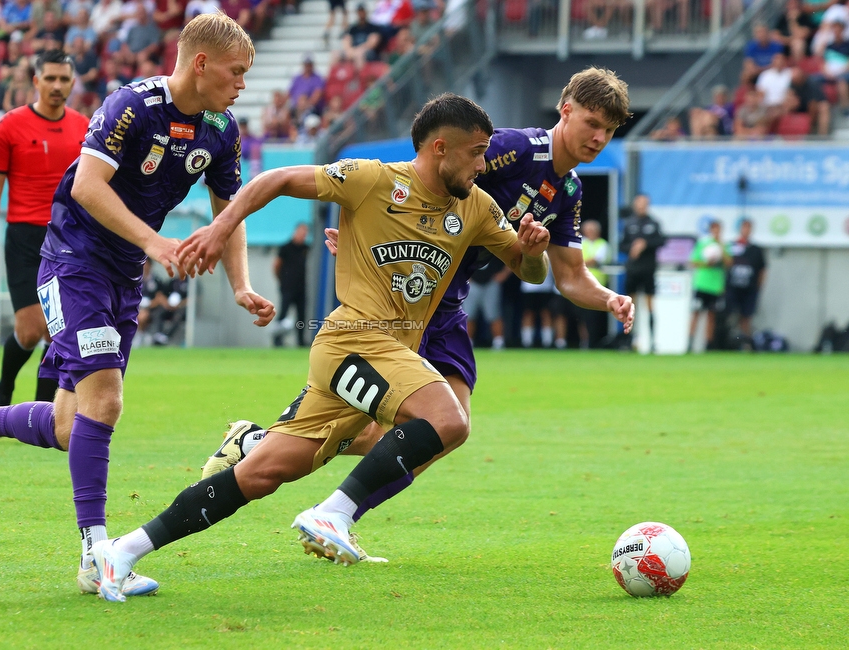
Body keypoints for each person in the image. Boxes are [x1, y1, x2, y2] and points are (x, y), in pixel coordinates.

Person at [89, 92, 556, 600]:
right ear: (441, 148)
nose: (482, 165)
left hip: (383, 356)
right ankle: (332, 512)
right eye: (477, 153)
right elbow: (276, 179)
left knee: (260, 474)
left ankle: (123, 551)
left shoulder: (477, 207)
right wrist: (222, 227)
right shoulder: (372, 179)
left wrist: (535, 254)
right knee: (449, 420)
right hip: (353, 340)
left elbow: (529, 271)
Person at [201, 67, 637, 562]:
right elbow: (424, 169)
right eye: (592, 122)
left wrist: (607, 298)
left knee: (431, 430)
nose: (599, 137)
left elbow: (569, 275)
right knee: (441, 423)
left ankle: (296, 476)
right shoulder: (509, 149)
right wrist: (374, 231)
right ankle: (327, 504)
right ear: (566, 110)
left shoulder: (571, 191)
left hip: (446, 303)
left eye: (610, 129)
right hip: (405, 297)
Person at [0, 13, 275, 598]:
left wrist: (239, 284)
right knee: (104, 403)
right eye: (236, 73)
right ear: (201, 63)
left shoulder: (221, 129)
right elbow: (86, 185)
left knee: (67, 425)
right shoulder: (132, 105)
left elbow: (228, 213)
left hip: (123, 276)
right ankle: (96, 558)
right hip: (72, 262)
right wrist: (156, 243)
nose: (242, 85)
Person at [0, 49, 90, 407]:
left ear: (73, 82)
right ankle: (5, 386)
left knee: (60, 330)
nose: (57, 86)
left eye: (64, 79)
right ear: (36, 81)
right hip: (24, 237)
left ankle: (43, 411)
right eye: (50, 79)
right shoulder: (10, 125)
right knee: (30, 329)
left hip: (69, 236)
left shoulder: (85, 127)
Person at [619, 193, 664, 352]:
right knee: (630, 306)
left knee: (650, 305)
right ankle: (629, 341)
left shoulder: (653, 223)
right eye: (639, 203)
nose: (641, 206)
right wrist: (632, 248)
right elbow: (622, 245)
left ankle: (652, 342)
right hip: (633, 270)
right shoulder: (629, 223)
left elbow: (661, 241)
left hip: (648, 270)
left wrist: (645, 244)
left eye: (644, 203)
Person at [688, 219, 731, 352]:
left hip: (715, 286)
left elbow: (729, 263)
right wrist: (706, 263)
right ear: (711, 230)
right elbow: (693, 262)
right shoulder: (703, 244)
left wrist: (721, 249)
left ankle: (708, 345)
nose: (716, 232)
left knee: (711, 316)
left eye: (719, 229)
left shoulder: (724, 246)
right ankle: (689, 343)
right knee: (696, 313)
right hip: (702, 284)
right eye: (714, 229)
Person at [726, 218, 766, 347]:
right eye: (744, 227)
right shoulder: (732, 246)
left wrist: (758, 287)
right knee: (730, 316)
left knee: (746, 317)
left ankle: (746, 343)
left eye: (749, 228)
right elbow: (725, 264)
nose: (746, 230)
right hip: (732, 288)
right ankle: (728, 343)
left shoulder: (756, 249)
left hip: (749, 289)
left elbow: (762, 270)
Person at [273, 222, 309, 347]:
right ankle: (277, 340)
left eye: (305, 233)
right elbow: (276, 265)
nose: (303, 235)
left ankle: (300, 341)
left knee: (301, 315)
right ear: (296, 232)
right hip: (288, 287)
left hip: (301, 288)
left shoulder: (305, 248)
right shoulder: (286, 248)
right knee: (283, 314)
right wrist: (282, 280)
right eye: (301, 232)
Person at [464, 254, 510, 349]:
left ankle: (499, 342)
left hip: (491, 283)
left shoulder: (496, 242)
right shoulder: (471, 244)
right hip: (472, 283)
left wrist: (504, 274)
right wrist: (465, 276)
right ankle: (467, 343)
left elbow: (512, 256)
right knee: (468, 315)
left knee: (494, 314)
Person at [577, 219, 609, 349]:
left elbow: (595, 260)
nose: (589, 233)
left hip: (597, 286)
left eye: (592, 230)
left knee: (594, 317)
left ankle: (594, 342)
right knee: (581, 316)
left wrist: (577, 263)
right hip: (580, 284)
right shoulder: (581, 242)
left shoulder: (602, 244)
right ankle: (584, 342)